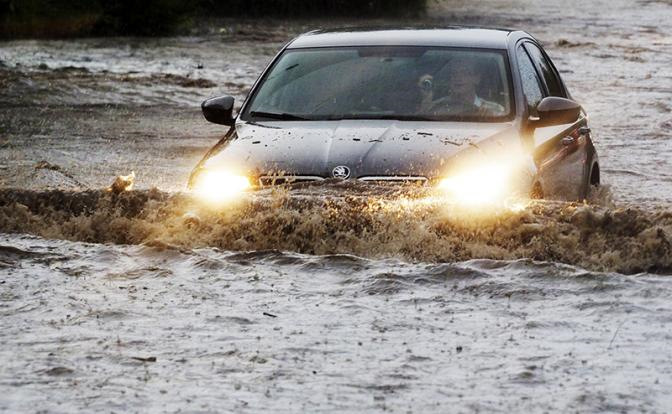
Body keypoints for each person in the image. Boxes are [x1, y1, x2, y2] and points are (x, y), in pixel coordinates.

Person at [416, 59, 506, 117]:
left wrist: (489, 117)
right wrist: (426, 99)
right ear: (449, 79)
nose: (458, 78)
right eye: (454, 73)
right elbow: (418, 127)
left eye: (465, 72)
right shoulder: (435, 107)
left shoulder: (493, 109)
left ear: (477, 78)